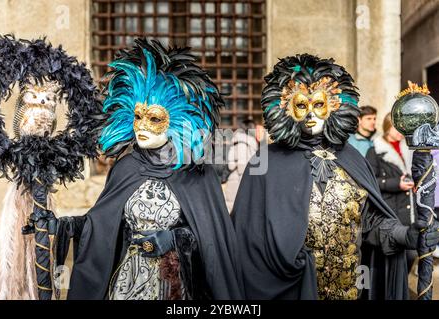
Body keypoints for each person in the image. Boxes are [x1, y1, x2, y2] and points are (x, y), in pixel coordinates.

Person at [232, 53, 439, 300]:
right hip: (289, 292)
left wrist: (405, 235)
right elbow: (247, 240)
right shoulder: (265, 163)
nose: (311, 114)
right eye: (301, 105)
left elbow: (370, 223)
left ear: (334, 106)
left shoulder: (351, 158)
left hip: (349, 290)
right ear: (286, 108)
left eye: (318, 104)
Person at [53, 38, 244, 300]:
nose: (141, 126)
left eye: (154, 118)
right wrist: (65, 226)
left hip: (175, 287)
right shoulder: (126, 168)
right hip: (126, 284)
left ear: (177, 120)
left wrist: (176, 239)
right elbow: (103, 227)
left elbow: (212, 243)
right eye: (138, 116)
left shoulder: (197, 175)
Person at [366, 113, 416, 271]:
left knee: (411, 253)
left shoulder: (407, 148)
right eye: (396, 126)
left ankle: (401, 289)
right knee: (395, 256)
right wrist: (397, 184)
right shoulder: (375, 150)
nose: (400, 131)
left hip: (409, 207)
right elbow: (371, 181)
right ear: (387, 127)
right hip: (391, 207)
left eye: (402, 127)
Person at [224, 119, 259, 212]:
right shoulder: (244, 143)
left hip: (235, 180)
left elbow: (230, 164)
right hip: (240, 182)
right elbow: (242, 166)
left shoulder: (238, 141)